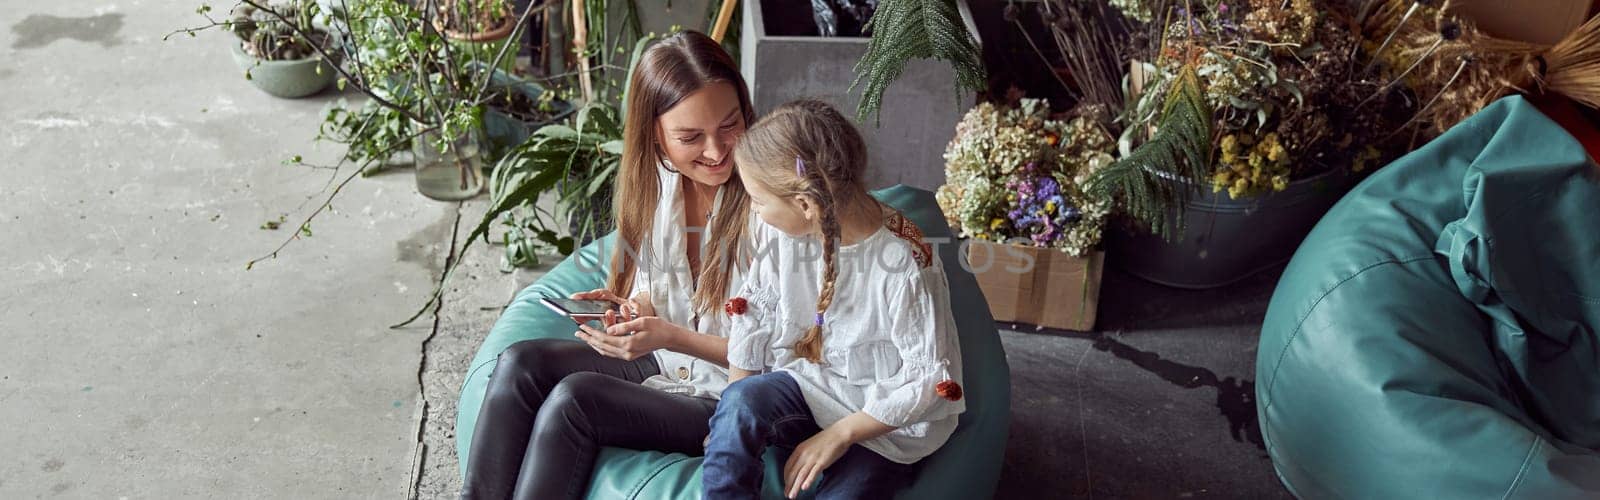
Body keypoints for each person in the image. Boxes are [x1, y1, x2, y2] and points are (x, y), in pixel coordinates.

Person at [460, 30, 760, 500]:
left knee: (574, 403)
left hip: (728, 393)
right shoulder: (659, 184)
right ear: (656, 138)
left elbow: (783, 354)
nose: (717, 151)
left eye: (730, 125)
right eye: (690, 137)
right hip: (666, 360)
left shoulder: (772, 202)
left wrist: (669, 334)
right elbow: (656, 289)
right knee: (520, 363)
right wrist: (634, 310)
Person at [701, 100, 966, 499]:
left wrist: (841, 434)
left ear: (805, 204)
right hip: (811, 387)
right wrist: (731, 419)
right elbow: (753, 314)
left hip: (884, 425)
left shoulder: (905, 264)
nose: (754, 211)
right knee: (740, 403)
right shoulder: (780, 234)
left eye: (757, 199)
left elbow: (927, 381)